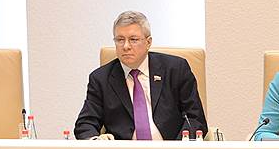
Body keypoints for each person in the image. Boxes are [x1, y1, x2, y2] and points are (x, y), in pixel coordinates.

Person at [75, 11, 206, 140]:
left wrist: (177, 148)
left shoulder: (176, 69)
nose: (126, 46)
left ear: (148, 42)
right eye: (120, 40)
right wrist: (96, 142)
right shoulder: (101, 79)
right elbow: (85, 124)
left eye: (133, 40)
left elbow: (195, 119)